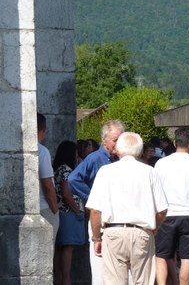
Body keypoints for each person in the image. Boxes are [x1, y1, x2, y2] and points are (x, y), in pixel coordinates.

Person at [86, 132, 168, 284]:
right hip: (142, 232)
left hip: (113, 232)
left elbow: (96, 210)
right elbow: (162, 209)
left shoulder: (106, 171)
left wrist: (97, 237)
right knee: (143, 281)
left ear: (118, 149)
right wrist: (153, 229)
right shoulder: (149, 171)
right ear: (139, 150)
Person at [68, 120, 125, 285]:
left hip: (118, 219)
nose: (118, 144)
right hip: (99, 217)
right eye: (115, 140)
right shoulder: (95, 158)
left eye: (120, 139)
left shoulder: (120, 160)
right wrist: (92, 197)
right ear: (105, 140)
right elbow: (72, 180)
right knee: (100, 268)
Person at [154, 127, 189, 285]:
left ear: (174, 142)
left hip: (166, 216)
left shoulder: (161, 163)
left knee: (161, 256)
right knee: (187, 258)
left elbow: (155, 192)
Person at [53, 141, 85, 285]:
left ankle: (60, 279)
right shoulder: (66, 169)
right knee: (68, 247)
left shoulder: (58, 168)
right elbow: (67, 193)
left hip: (60, 211)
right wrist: (77, 211)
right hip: (69, 212)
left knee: (61, 248)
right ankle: (66, 280)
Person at [37, 113, 59, 243]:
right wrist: (55, 210)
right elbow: (47, 184)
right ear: (43, 130)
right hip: (44, 207)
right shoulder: (42, 151)